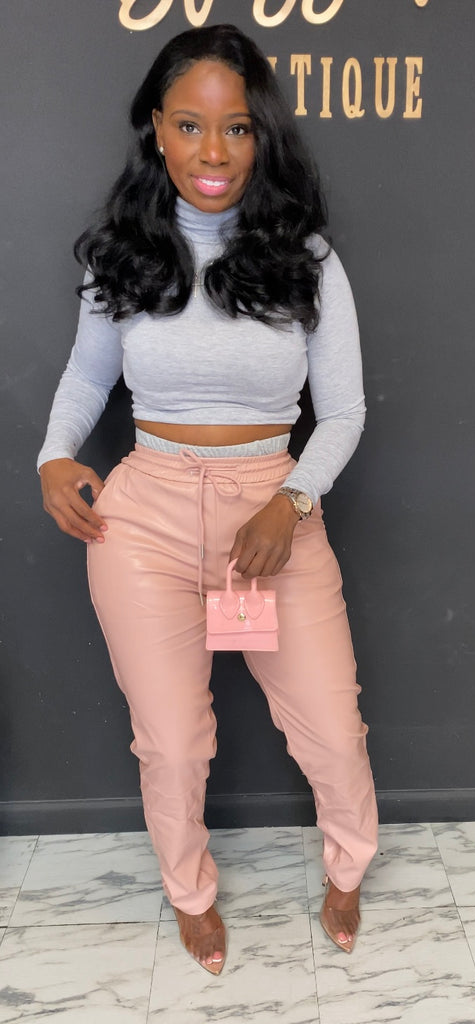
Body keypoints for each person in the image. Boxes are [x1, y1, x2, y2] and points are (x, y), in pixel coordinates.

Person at [38, 23, 378, 976]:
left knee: (331, 730)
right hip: (143, 520)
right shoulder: (123, 255)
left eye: (236, 129)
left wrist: (292, 501)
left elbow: (344, 412)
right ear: (156, 128)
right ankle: (190, 893)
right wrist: (53, 456)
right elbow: (85, 377)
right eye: (190, 125)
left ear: (261, 136)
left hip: (269, 519)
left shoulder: (306, 258)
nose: (213, 152)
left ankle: (348, 869)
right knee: (174, 745)